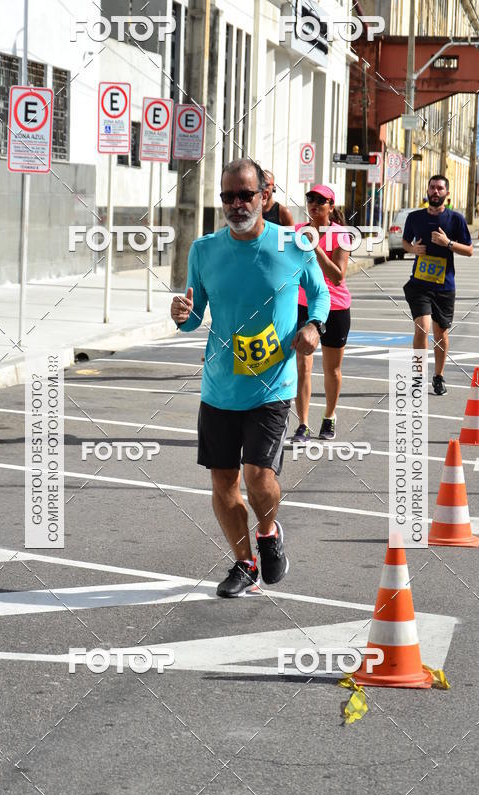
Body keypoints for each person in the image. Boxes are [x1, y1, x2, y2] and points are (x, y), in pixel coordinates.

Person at [171, 159, 329, 598]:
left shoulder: (292, 244)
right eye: (228, 196)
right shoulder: (204, 250)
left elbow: (319, 293)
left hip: (272, 384)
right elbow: (192, 316)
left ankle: (269, 531)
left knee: (258, 478)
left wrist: (314, 326)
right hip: (220, 385)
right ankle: (243, 563)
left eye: (245, 194)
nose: (236, 204)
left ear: (265, 194)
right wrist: (181, 316)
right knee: (223, 482)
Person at [401, 174, 473, 396]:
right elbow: (405, 242)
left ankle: (439, 376)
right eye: (432, 187)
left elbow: (469, 250)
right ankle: (417, 377)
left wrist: (448, 243)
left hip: (444, 286)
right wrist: (413, 250)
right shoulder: (414, 218)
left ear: (447, 194)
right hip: (419, 284)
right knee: (422, 327)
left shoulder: (456, 220)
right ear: (427, 190)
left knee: (441, 333)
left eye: (440, 188)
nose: (435, 191)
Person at [291, 185, 352, 442]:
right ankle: (302, 424)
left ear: (331, 206)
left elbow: (338, 276)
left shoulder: (341, 234)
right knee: (303, 366)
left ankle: (329, 416)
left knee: (332, 369)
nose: (314, 203)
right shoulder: (296, 231)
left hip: (335, 307)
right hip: (303, 305)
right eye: (310, 198)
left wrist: (314, 247)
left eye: (320, 200)